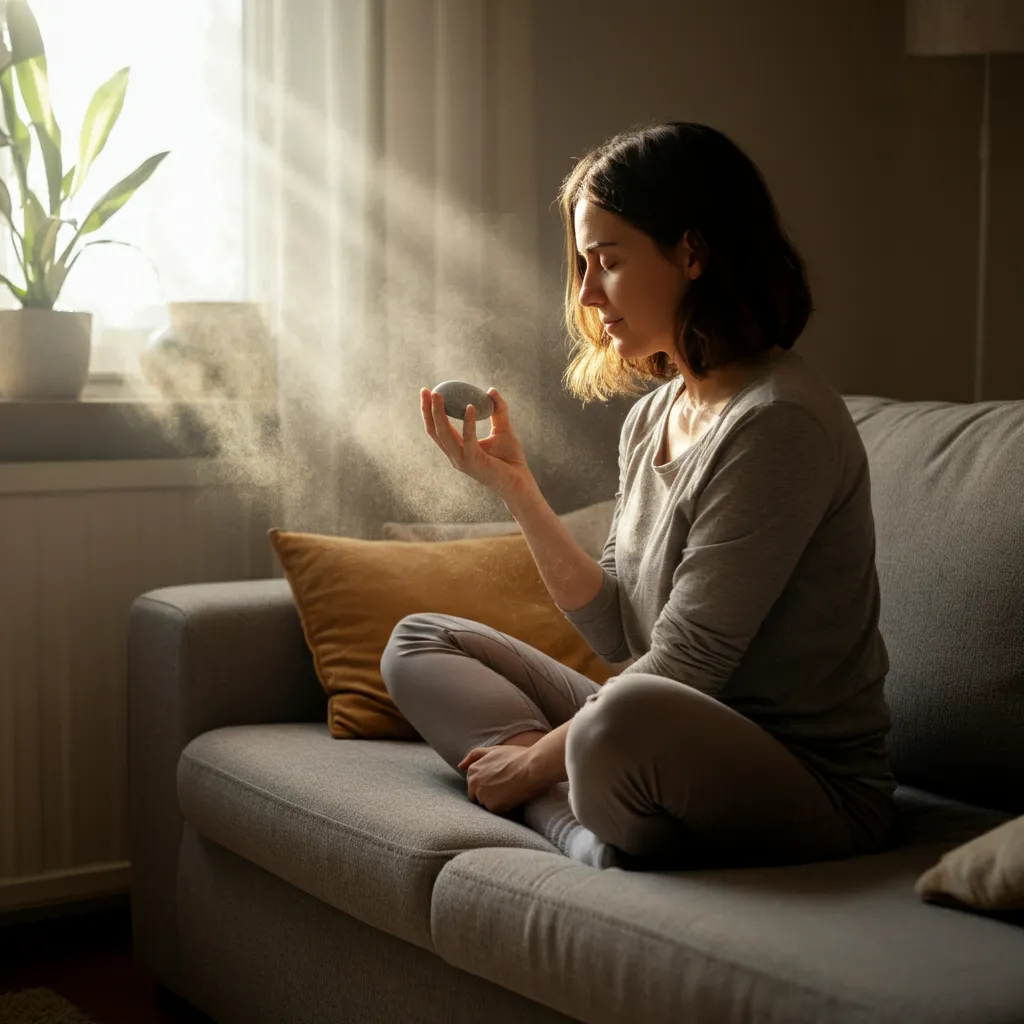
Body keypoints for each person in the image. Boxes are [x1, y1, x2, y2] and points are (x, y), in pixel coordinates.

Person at [381, 121, 896, 871]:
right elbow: (618, 631)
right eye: (584, 266)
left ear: (692, 253)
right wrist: (517, 489)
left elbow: (687, 662)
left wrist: (528, 765)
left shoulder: (778, 422)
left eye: (609, 263)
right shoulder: (653, 414)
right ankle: (590, 821)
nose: (588, 295)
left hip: (811, 786)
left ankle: (561, 810)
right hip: (662, 722)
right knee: (418, 641)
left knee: (612, 723)